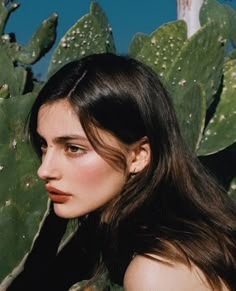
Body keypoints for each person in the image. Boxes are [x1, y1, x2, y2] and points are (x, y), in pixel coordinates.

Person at [10, 53, 236, 290]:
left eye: (74, 148)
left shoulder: (155, 273)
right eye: (44, 145)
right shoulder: (191, 241)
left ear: (138, 155)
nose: (44, 170)